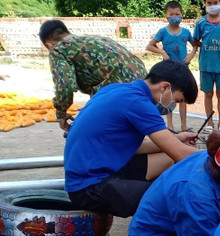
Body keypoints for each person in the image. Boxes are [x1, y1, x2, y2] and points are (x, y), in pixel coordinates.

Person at [63, 60, 199, 218]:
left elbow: (137, 147)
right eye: (177, 100)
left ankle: (145, 205)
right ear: (165, 87)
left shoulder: (117, 89)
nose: (174, 105)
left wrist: (178, 139)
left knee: (167, 160)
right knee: (171, 200)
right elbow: (180, 154)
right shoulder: (139, 103)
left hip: (92, 173)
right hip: (89, 186)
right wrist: (219, 155)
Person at [38, 20, 147, 132]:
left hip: (116, 90)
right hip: (143, 84)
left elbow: (65, 85)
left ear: (48, 44)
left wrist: (61, 113)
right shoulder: (96, 38)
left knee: (93, 131)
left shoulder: (58, 49)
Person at [146, 1, 197, 132]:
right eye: (171, 14)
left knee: (182, 98)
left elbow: (195, 44)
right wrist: (162, 52)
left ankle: (184, 125)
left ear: (182, 15)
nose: (175, 16)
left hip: (183, 69)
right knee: (169, 98)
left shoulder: (186, 32)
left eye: (177, 14)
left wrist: (191, 55)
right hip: (169, 72)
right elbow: (150, 46)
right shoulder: (163, 31)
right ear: (166, 15)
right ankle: (170, 125)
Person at [193, 0, 220, 133]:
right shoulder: (200, 22)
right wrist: (206, 47)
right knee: (208, 93)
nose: (212, 5)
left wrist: (219, 49)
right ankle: (209, 123)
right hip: (205, 65)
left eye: (215, 2)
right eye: (209, 2)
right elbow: (195, 40)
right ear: (205, 3)